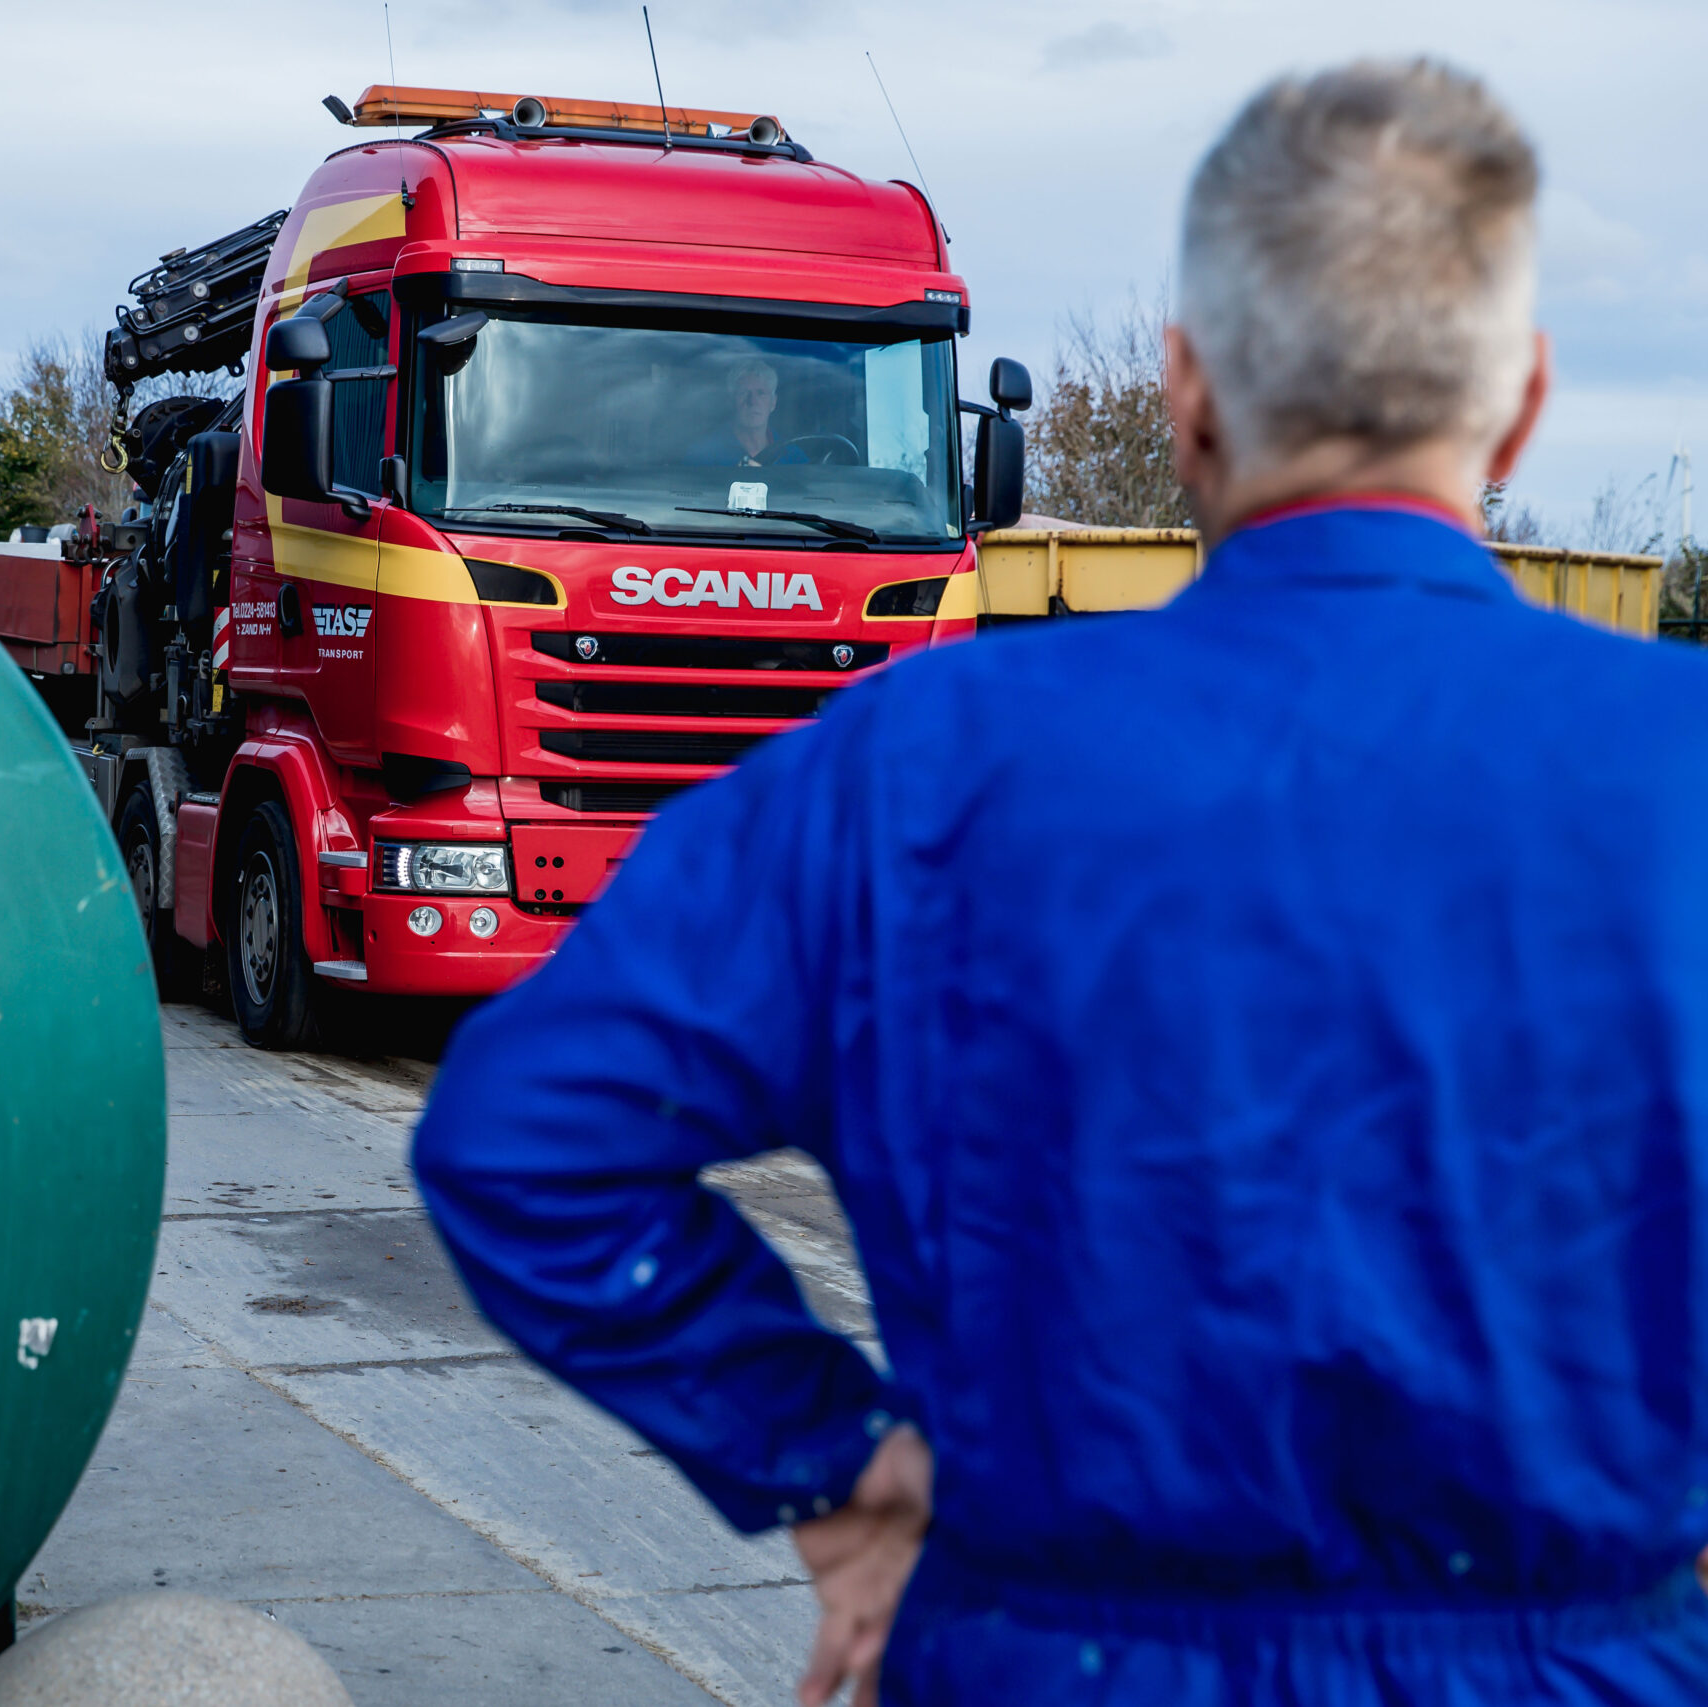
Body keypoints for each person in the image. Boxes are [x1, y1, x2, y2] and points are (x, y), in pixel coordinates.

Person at [413, 59, 1708, 1707]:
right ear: (1519, 404)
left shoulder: (909, 768)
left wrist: (835, 1459)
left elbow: (521, 1133)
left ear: (1188, 392)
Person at [684, 355, 809, 466]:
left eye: (761, 393)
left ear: (773, 403)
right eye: (743, 393)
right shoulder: (703, 455)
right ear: (731, 401)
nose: (752, 402)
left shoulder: (793, 457)